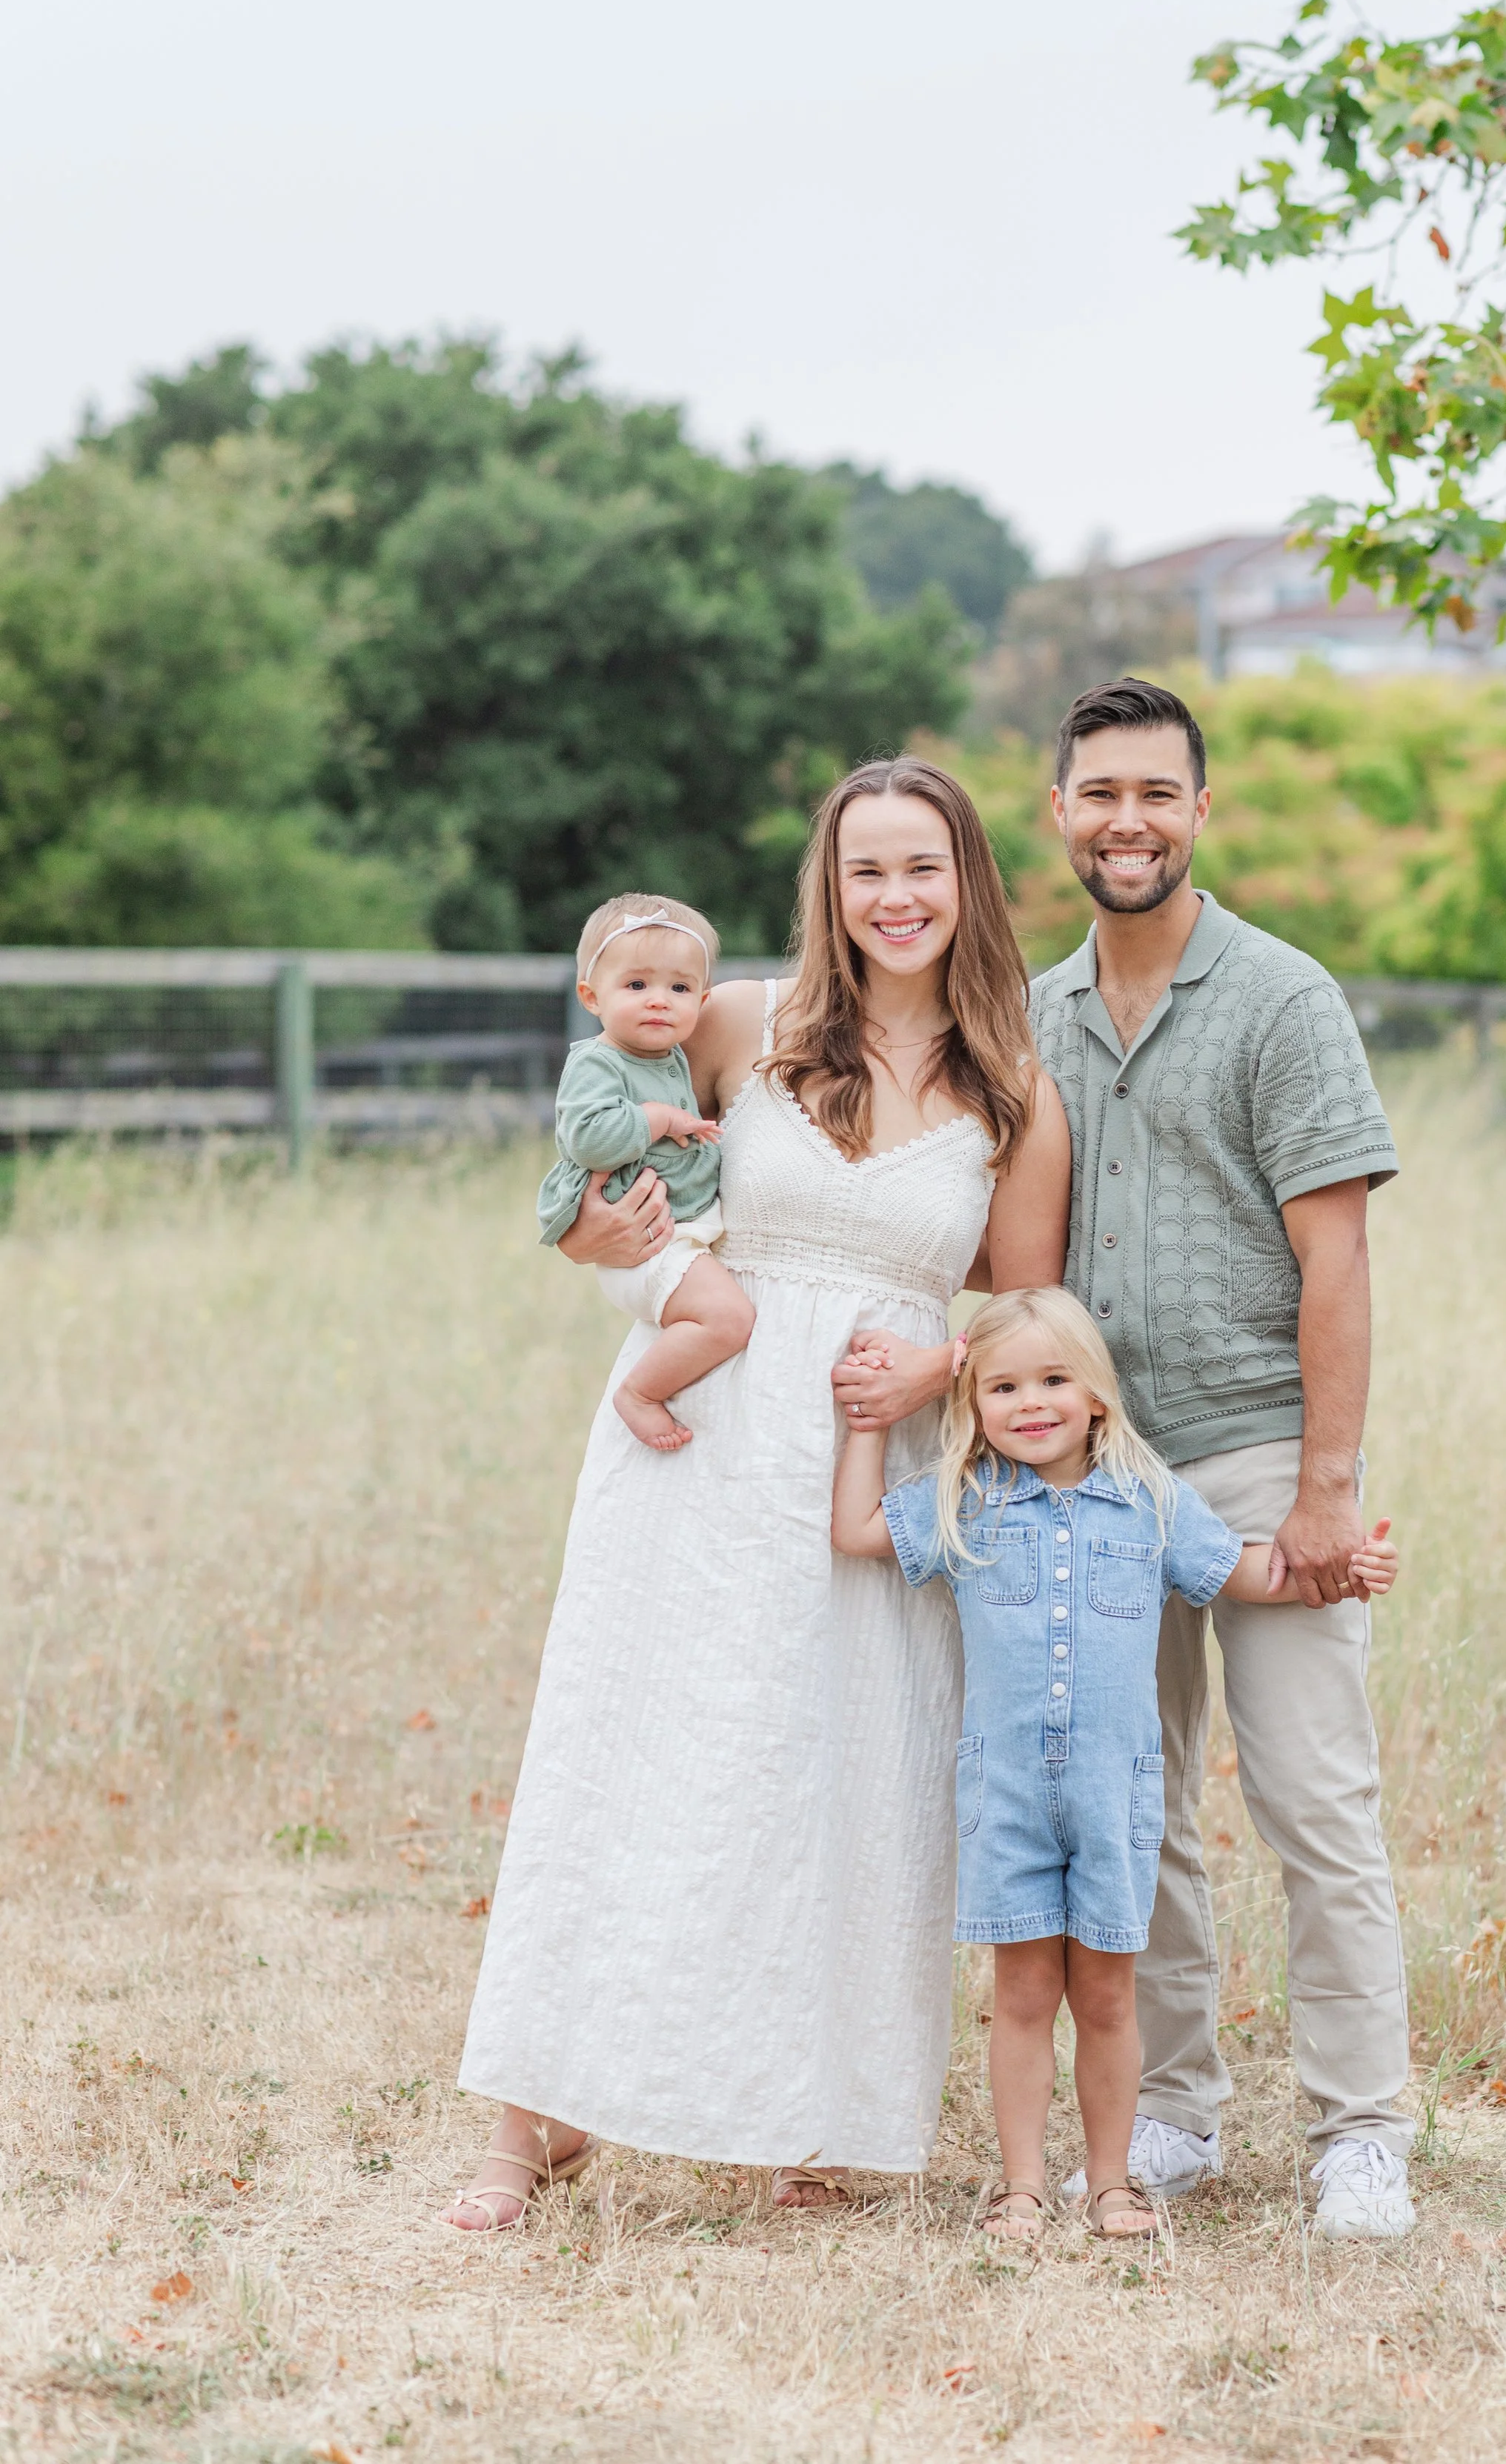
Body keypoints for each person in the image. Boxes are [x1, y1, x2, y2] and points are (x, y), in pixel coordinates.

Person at [444, 757, 1072, 2232]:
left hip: (873, 1452)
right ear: (829, 885)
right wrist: (625, 1258)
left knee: (846, 1774)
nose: (894, 897)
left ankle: (823, 2119)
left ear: (967, 879)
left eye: (922, 867)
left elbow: (1030, 1303)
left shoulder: (1015, 1087)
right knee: (629, 1747)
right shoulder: (740, 1021)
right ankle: (533, 2119)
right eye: (865, 871)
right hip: (705, 1432)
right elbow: (596, 1201)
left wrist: (934, 1377)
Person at [832, 677, 1415, 2241]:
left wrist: (1324, 1488)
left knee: (1312, 1803)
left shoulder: (1282, 999)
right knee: (1125, 1804)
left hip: (1251, 1454)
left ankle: (1360, 2133)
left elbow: (1338, 1262)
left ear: (1199, 810)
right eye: (1099, 795)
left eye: (1155, 793)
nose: (1126, 821)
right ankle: (1167, 2116)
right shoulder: (1030, 1019)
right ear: (1060, 816)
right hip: (1080, 1478)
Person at [831, 1285, 1397, 2247]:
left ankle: (1111, 2182)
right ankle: (1017, 2186)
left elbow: (1248, 1572)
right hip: (1007, 1794)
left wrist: (1337, 1567)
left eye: (1055, 1378)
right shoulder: (963, 1500)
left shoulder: (1150, 1498)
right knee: (1019, 1996)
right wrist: (866, 1424)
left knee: (1103, 1995)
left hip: (1112, 1794)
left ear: (1097, 1393)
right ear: (975, 1401)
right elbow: (855, 1533)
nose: (1031, 1401)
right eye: (1005, 1385)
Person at [537, 891, 752, 1452]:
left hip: (681, 1234)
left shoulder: (672, 1055)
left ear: (702, 1001)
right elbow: (584, 1138)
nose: (659, 1001)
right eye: (636, 986)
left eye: (679, 989)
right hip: (651, 1241)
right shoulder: (598, 1060)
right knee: (728, 1319)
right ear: (592, 995)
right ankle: (640, 1394)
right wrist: (655, 1118)